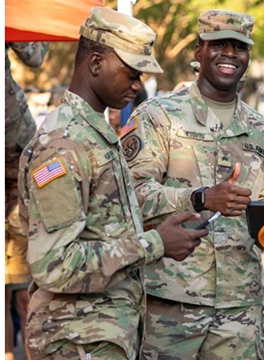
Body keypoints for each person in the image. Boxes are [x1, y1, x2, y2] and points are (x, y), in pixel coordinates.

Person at [17, 7, 208, 360]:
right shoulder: (64, 144)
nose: (138, 86)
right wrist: (154, 244)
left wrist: (191, 206)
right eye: (132, 74)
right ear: (95, 63)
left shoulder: (93, 134)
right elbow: (55, 266)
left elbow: (108, 223)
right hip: (76, 341)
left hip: (101, 337)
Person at [122, 9, 264, 360]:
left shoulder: (261, 130)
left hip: (239, 309)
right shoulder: (159, 116)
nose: (230, 53)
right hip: (169, 305)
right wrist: (199, 199)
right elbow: (130, 196)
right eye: (219, 44)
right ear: (199, 51)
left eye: (239, 47)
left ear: (248, 57)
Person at [5, 40, 49, 360]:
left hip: (14, 168)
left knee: (24, 294)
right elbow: (34, 55)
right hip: (14, 155)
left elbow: (34, 56)